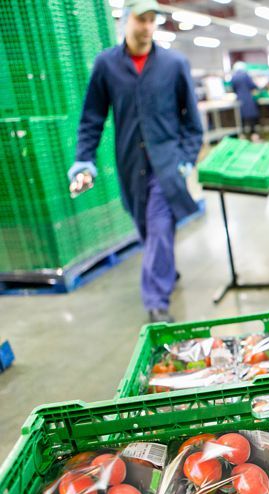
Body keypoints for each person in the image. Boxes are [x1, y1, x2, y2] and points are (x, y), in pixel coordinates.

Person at [67, 0, 203, 323]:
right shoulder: (106, 66)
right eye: (141, 19)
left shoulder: (173, 64)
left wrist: (185, 158)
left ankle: (156, 302)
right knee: (147, 227)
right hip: (130, 167)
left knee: (158, 225)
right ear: (125, 19)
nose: (147, 27)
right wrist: (84, 161)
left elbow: (192, 122)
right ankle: (166, 270)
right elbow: (92, 118)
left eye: (152, 20)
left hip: (166, 166)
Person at [230, 61, 260, 140]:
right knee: (251, 117)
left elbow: (233, 88)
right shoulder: (246, 76)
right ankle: (253, 134)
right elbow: (252, 86)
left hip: (239, 99)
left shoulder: (234, 77)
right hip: (248, 98)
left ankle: (242, 135)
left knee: (241, 118)